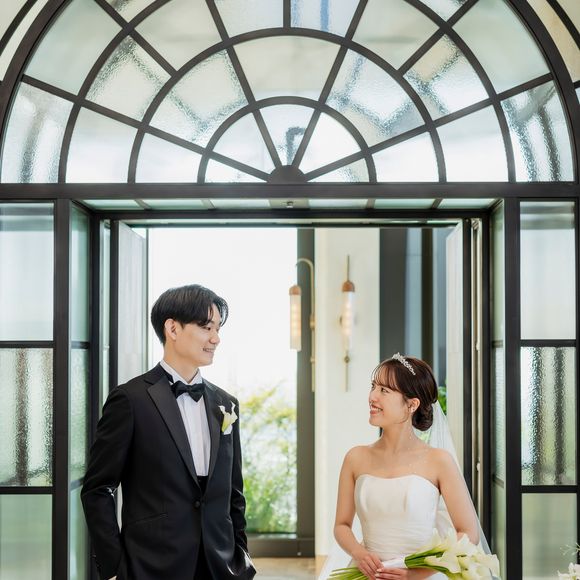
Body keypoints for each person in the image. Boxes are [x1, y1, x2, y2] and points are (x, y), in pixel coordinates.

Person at [82, 284, 256, 580]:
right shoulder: (130, 400)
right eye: (206, 327)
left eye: (217, 329)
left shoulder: (226, 404)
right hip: (152, 566)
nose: (215, 338)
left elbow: (233, 492)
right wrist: (114, 567)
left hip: (221, 565)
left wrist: (241, 554)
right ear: (173, 329)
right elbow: (98, 489)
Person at [331, 354, 480, 580]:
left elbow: (468, 533)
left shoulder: (439, 461)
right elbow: (341, 525)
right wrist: (358, 553)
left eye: (384, 390)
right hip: (366, 574)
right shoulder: (355, 458)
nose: (372, 396)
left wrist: (417, 573)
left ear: (412, 404)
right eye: (373, 387)